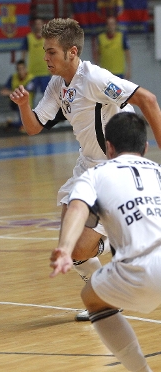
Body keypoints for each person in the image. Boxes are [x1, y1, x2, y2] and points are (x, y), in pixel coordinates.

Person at [9, 18, 161, 321]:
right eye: (45, 51)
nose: (46, 58)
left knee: (80, 245)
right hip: (87, 166)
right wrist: (25, 105)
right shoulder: (57, 84)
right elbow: (34, 127)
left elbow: (147, 99)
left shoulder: (94, 78)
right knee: (75, 249)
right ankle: (106, 296)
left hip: (114, 168)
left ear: (72, 52)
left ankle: (117, 248)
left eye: (52, 52)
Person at [50, 112, 160, 372]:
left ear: (108, 147)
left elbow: (77, 209)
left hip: (139, 270)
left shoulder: (95, 174)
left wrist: (65, 249)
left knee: (93, 299)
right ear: (145, 147)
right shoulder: (157, 171)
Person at [0, 59, 35, 131]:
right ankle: (20, 124)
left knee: (28, 125)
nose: (20, 71)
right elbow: (3, 92)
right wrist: (14, 93)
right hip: (15, 103)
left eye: (22, 69)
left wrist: (12, 92)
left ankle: (11, 123)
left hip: (28, 105)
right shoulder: (13, 77)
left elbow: (25, 91)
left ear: (26, 68)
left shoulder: (32, 78)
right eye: (18, 69)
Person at [20, 17, 51, 102]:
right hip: (32, 73)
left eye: (40, 23)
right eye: (36, 24)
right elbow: (23, 53)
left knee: (48, 95)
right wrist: (23, 67)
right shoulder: (28, 38)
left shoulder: (48, 38)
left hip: (45, 71)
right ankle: (29, 114)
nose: (38, 25)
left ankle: (49, 114)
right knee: (29, 94)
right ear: (34, 26)